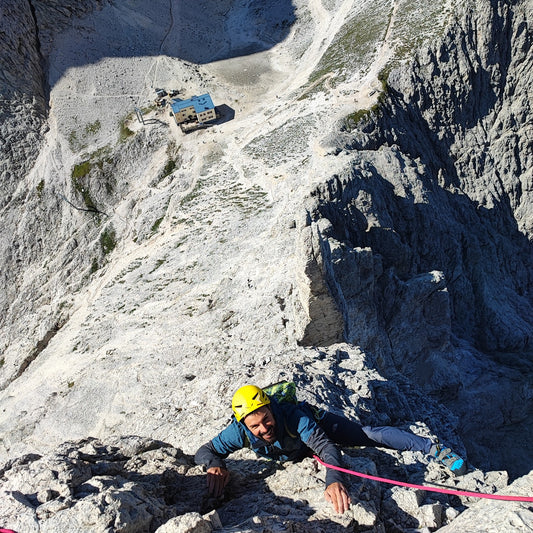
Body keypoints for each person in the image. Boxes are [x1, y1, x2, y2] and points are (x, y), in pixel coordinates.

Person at [195, 384, 467, 514]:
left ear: (272, 410)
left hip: (317, 429)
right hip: (296, 450)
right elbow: (204, 450)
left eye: (267, 419)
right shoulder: (237, 430)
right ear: (244, 425)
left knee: (367, 435)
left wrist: (334, 480)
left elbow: (326, 447)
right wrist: (214, 465)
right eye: (255, 426)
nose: (264, 428)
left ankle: (432, 448)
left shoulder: (293, 417)